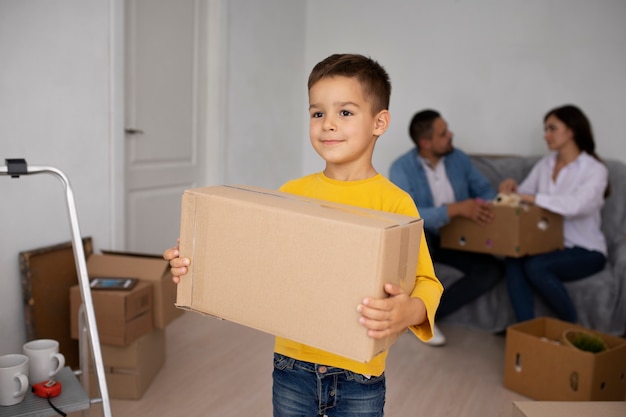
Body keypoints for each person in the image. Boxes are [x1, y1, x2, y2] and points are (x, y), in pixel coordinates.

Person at [164, 53, 443, 417]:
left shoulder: (394, 202)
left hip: (360, 375)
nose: (328, 124)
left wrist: (410, 309)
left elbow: (427, 280)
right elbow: (257, 260)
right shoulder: (292, 193)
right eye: (317, 113)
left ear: (379, 122)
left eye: (345, 112)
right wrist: (197, 264)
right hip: (292, 367)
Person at [389, 109, 504, 345]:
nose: (450, 135)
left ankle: (424, 315)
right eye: (443, 133)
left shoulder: (459, 159)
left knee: (492, 270)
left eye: (447, 129)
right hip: (424, 237)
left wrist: (500, 199)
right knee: (418, 237)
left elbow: (486, 192)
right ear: (426, 142)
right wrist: (454, 209)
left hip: (458, 237)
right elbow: (406, 216)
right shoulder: (401, 168)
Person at [498, 104, 608, 323]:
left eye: (552, 128)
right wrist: (511, 188)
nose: (546, 135)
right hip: (547, 245)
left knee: (536, 266)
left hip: (585, 249)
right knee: (513, 259)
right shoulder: (545, 164)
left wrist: (531, 198)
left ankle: (570, 325)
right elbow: (523, 196)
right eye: (545, 129)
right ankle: (526, 331)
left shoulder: (595, 170)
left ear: (572, 130)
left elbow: (575, 206)